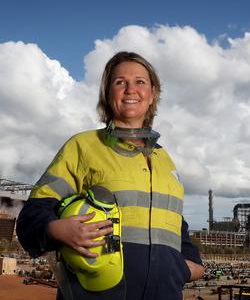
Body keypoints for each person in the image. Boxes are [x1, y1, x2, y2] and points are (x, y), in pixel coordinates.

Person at [17, 51, 204, 299]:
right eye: (120, 82)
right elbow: (31, 216)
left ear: (153, 94)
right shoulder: (83, 146)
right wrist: (56, 230)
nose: (130, 89)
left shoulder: (164, 160)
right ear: (108, 93)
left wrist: (185, 266)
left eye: (140, 82)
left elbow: (175, 226)